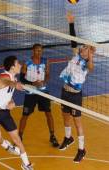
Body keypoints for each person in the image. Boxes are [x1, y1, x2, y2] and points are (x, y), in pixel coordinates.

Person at [58, 12, 95, 163]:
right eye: (83, 46)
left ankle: (81, 149)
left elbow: (91, 67)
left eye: (86, 48)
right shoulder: (75, 55)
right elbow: (73, 40)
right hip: (65, 91)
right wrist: (71, 23)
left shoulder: (87, 64)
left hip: (75, 95)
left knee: (77, 122)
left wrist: (91, 55)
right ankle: (68, 138)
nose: (82, 48)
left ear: (89, 53)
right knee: (65, 117)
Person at [0, 56, 33, 170]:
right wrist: (15, 85)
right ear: (12, 67)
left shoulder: (14, 79)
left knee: (17, 139)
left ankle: (26, 164)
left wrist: (11, 102)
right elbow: (4, 82)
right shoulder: (3, 76)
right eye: (18, 64)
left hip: (5, 113)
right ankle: (6, 146)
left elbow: (8, 95)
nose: (20, 65)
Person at [18, 43, 59, 147]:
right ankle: (19, 136)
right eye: (37, 51)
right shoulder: (27, 63)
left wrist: (44, 81)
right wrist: (33, 83)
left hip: (43, 92)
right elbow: (21, 79)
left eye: (40, 51)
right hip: (30, 92)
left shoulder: (46, 61)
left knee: (49, 113)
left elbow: (48, 74)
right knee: (25, 115)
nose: (39, 52)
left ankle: (52, 136)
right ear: (33, 51)